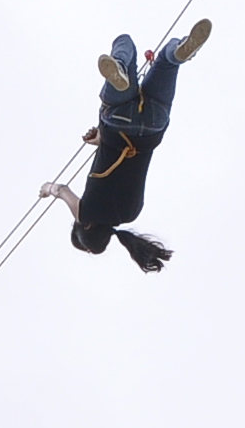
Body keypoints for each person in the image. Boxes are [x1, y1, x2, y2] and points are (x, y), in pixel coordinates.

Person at [40, 18, 211, 271]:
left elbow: (122, 167)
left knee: (167, 61)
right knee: (124, 41)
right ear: (85, 226)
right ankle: (120, 69)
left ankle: (180, 50)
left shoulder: (131, 213)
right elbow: (62, 189)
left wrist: (99, 142)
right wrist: (47, 189)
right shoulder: (85, 214)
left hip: (152, 126)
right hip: (116, 123)